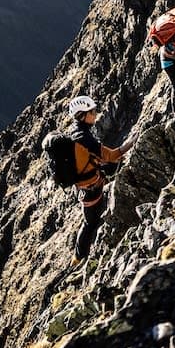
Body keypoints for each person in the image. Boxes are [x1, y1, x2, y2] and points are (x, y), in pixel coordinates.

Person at [66, 95, 128, 261]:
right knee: (90, 223)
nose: (96, 113)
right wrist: (130, 143)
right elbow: (112, 155)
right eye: (92, 111)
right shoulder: (84, 137)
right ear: (82, 115)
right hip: (90, 188)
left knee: (90, 221)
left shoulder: (75, 131)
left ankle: (79, 257)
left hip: (85, 184)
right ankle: (79, 257)